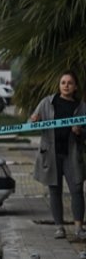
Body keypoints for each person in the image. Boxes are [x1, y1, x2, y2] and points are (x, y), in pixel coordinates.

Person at [29, 71, 86, 240]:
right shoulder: (47, 102)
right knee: (55, 191)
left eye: (69, 82)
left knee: (77, 190)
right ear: (59, 85)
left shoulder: (82, 107)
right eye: (63, 82)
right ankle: (59, 227)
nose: (66, 85)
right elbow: (31, 123)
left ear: (75, 86)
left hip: (72, 153)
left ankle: (79, 228)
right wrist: (34, 120)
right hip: (51, 154)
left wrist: (79, 132)